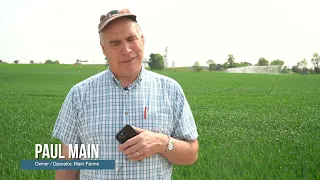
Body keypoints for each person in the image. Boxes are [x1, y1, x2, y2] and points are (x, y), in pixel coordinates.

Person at [52, 8, 199, 180]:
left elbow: (191, 154)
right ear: (103, 49)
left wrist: (162, 143)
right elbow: (68, 167)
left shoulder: (170, 90)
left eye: (131, 39)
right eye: (115, 43)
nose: (126, 49)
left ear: (142, 40)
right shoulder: (79, 95)